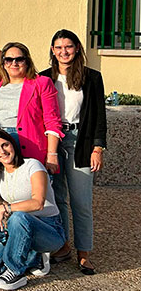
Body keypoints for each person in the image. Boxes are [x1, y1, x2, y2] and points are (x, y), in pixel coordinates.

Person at [41, 30, 106, 274]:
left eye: (68, 46)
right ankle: (63, 245)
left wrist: (97, 147)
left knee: (81, 201)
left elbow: (100, 115)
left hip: (81, 141)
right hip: (53, 142)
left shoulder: (92, 78)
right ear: (52, 50)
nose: (63, 52)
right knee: (57, 198)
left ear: (77, 48)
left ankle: (84, 252)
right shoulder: (44, 77)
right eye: (58, 47)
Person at [0, 129, 65, 291]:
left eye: (5, 145)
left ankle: (16, 272)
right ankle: (34, 258)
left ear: (13, 145)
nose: (2, 151)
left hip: (49, 229)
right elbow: (1, 204)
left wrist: (6, 208)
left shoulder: (32, 165)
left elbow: (38, 202)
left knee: (18, 217)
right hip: (17, 228)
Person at [0, 43, 63, 169]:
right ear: (3, 63)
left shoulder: (42, 83)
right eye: (8, 59)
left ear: (27, 62)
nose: (14, 63)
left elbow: (52, 119)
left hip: (25, 139)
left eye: (19, 59)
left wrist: (52, 154)